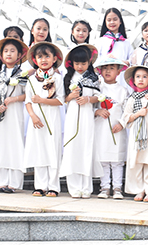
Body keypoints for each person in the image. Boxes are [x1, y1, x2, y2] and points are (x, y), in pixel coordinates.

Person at [0, 37, 29, 194]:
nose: (9, 54)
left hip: (15, 113)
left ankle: (14, 182)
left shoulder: (23, 75)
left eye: (12, 51)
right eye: (6, 51)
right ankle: (0, 181)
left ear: (19, 55)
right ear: (1, 55)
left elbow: (27, 95)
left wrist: (14, 99)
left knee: (14, 144)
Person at [23, 41, 65, 197]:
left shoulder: (58, 79)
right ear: (35, 60)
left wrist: (42, 100)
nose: (43, 59)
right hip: (37, 121)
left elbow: (60, 100)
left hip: (52, 119)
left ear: (54, 59)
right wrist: (33, 116)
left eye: (47, 56)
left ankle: (53, 186)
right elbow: (28, 101)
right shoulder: (32, 80)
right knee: (39, 151)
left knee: (52, 150)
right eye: (40, 57)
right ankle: (40, 186)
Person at [59, 44, 101, 198]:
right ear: (72, 64)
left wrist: (88, 99)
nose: (80, 66)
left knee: (86, 147)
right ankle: (74, 186)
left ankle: (86, 187)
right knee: (73, 147)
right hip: (72, 115)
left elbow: (98, 97)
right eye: (77, 63)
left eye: (83, 63)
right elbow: (63, 99)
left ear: (89, 63)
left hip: (87, 116)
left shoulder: (94, 78)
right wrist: (72, 95)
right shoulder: (68, 77)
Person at [122, 65, 148, 202]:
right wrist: (138, 114)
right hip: (136, 135)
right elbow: (126, 117)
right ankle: (139, 189)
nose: (141, 79)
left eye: (145, 77)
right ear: (133, 79)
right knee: (136, 161)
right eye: (138, 76)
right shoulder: (131, 99)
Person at [93, 55, 130, 199]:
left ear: (119, 71)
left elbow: (127, 110)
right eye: (105, 68)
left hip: (116, 130)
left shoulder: (123, 90)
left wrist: (121, 123)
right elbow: (90, 107)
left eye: (112, 68)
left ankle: (117, 187)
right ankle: (104, 187)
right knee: (103, 159)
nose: (108, 71)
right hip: (101, 129)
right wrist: (97, 111)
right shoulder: (97, 89)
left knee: (117, 160)